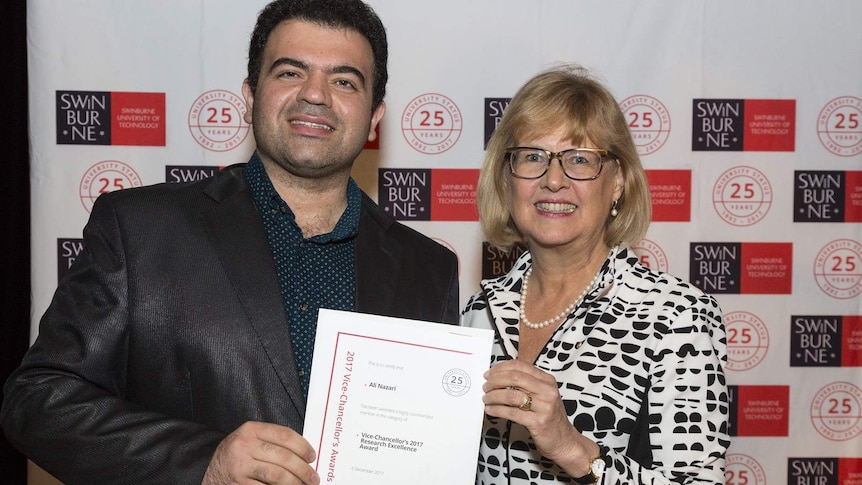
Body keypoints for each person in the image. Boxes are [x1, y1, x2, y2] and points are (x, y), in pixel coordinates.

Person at [1, 0, 459, 483]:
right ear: (249, 94)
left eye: (344, 81)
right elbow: (39, 399)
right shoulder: (140, 229)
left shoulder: (428, 269)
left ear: (374, 116)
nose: (316, 95)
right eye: (289, 73)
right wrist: (203, 462)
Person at [462, 64, 729, 485]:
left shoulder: (676, 317)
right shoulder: (478, 312)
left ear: (618, 182)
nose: (553, 180)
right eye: (532, 156)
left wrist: (573, 448)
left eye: (580, 160)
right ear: (506, 180)